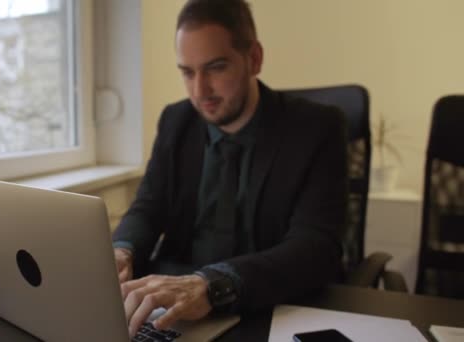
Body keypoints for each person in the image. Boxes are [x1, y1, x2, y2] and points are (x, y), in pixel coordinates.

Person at [113, 0, 348, 337]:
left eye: (216, 68)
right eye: (187, 72)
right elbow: (149, 206)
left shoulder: (316, 128)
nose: (199, 91)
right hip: (175, 308)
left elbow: (316, 247)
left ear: (254, 58)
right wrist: (122, 249)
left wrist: (212, 286)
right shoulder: (176, 120)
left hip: (266, 306)